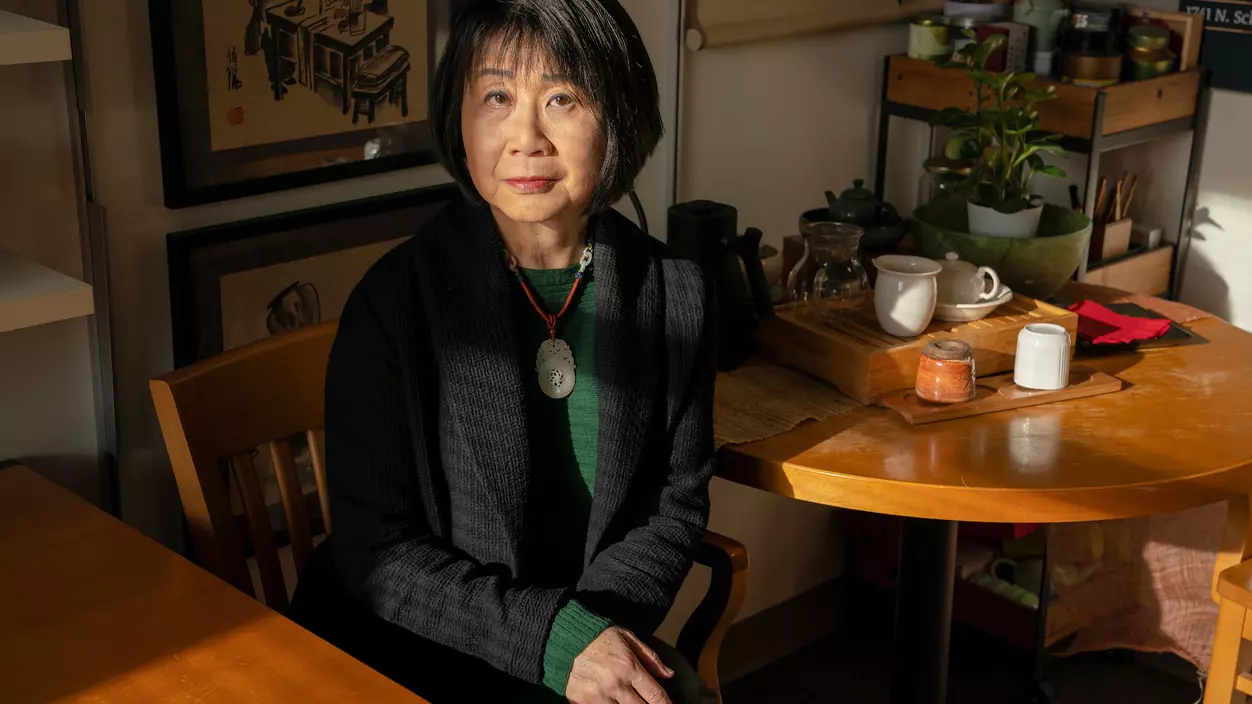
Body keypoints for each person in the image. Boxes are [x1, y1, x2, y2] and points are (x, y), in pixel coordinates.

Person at [288, 1, 718, 702]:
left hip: (590, 636)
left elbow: (673, 505)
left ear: (618, 116)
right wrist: (547, 643)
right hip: (414, 646)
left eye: (561, 98)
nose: (526, 137)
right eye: (496, 96)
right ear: (459, 120)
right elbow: (378, 551)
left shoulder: (678, 296)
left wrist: (586, 641)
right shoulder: (394, 301)